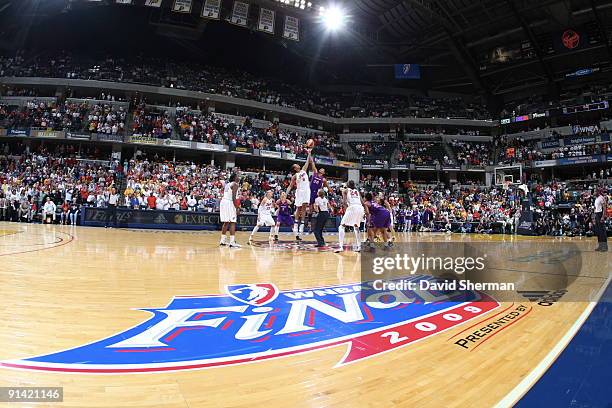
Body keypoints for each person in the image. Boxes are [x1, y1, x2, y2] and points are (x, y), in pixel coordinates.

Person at [287, 151, 312, 242]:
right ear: (295, 168)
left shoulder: (304, 170)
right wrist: (285, 195)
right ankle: (296, 224)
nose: (298, 164)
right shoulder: (295, 176)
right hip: (300, 192)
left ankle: (301, 225)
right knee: (298, 208)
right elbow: (290, 186)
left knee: (304, 208)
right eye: (296, 164)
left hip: (306, 191)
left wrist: (309, 153)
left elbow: (307, 161)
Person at [336, 180, 365, 253]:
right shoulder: (357, 191)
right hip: (360, 208)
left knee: (341, 226)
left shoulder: (345, 191)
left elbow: (344, 202)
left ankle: (340, 247)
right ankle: (359, 247)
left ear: (348, 185)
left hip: (352, 207)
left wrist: (346, 211)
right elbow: (362, 202)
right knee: (356, 227)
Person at [219, 172, 241, 248]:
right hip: (229, 203)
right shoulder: (235, 185)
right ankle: (232, 242)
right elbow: (234, 198)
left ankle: (222, 240)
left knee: (226, 222)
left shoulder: (228, 184)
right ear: (235, 178)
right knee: (232, 222)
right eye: (238, 176)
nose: (239, 177)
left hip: (224, 202)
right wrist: (237, 207)